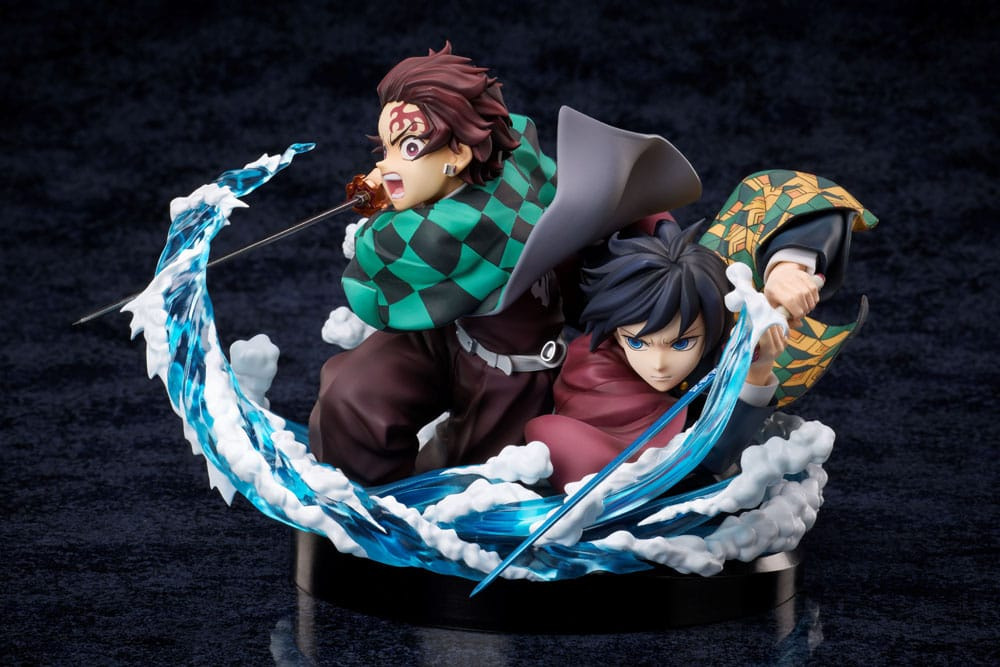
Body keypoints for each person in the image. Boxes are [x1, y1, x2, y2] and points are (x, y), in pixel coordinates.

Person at [526, 221, 786, 491]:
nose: (659, 365)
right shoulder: (594, 369)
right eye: (637, 343)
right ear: (617, 334)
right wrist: (756, 374)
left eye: (681, 343)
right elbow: (706, 458)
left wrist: (757, 367)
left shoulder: (720, 350)